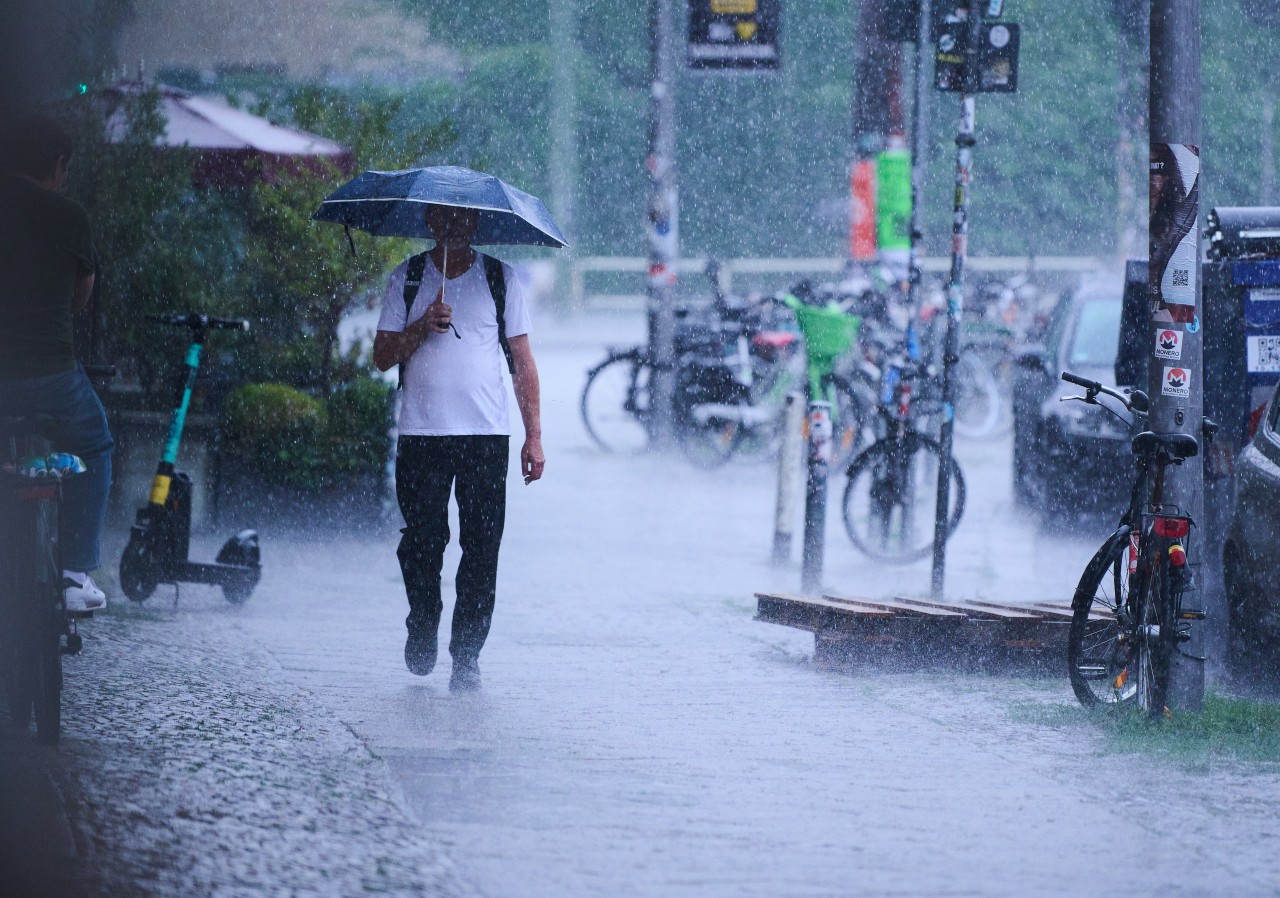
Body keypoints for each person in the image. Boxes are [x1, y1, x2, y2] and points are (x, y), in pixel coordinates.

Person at [372, 203, 545, 691]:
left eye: (464, 219)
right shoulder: (406, 278)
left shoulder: (500, 278)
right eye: (443, 218)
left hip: (485, 436)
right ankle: (423, 621)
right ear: (429, 221)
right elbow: (382, 357)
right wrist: (421, 326)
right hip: (421, 434)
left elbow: (523, 363)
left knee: (482, 549)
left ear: (477, 224)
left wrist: (533, 436)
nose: (454, 227)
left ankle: (466, 655)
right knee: (422, 543)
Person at [0, 113, 113, 612]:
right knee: (95, 443)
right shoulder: (69, 217)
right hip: (51, 377)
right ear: (58, 164)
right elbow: (79, 300)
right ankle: (74, 574)